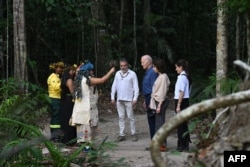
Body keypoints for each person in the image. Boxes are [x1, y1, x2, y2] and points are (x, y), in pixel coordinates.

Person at [70, 61, 116, 144]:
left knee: (82, 133)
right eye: (91, 70)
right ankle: (87, 150)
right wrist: (111, 71)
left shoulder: (78, 79)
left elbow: (77, 71)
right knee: (87, 134)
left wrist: (81, 66)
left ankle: (85, 148)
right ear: (87, 71)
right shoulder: (87, 80)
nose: (92, 72)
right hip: (87, 111)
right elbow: (102, 80)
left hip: (80, 110)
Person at [111, 58, 139, 142]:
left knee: (131, 117)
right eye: (121, 66)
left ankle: (133, 133)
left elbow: (136, 87)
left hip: (129, 99)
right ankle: (121, 134)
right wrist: (112, 97)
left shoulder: (132, 74)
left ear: (127, 65)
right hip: (119, 99)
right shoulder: (117, 73)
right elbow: (114, 86)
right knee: (121, 117)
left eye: (124, 65)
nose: (123, 67)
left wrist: (135, 98)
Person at [149, 58, 170, 151]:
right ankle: (161, 144)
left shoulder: (163, 77)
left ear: (158, 67)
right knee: (159, 123)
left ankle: (162, 144)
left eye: (154, 66)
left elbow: (162, 92)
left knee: (160, 124)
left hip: (160, 101)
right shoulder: (161, 76)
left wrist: (159, 105)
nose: (153, 68)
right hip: (157, 101)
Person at [174, 59, 192, 152]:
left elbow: (181, 92)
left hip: (181, 101)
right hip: (185, 101)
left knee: (180, 124)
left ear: (181, 67)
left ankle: (181, 145)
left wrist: (178, 105)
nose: (176, 69)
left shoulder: (181, 77)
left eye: (177, 67)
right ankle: (185, 143)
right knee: (183, 124)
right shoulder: (186, 76)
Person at [141, 55, 158, 142]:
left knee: (153, 121)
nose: (142, 64)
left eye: (143, 62)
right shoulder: (148, 72)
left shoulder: (152, 72)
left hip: (152, 98)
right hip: (148, 97)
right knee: (151, 121)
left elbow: (154, 87)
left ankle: (155, 142)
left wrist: (152, 101)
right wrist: (145, 99)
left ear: (148, 62)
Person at [47, 61, 64, 141]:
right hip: (54, 98)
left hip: (57, 98)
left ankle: (56, 134)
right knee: (56, 117)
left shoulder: (57, 77)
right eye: (59, 68)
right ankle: (54, 136)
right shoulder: (53, 77)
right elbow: (56, 87)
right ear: (55, 68)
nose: (60, 69)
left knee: (57, 116)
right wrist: (63, 83)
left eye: (61, 68)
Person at [60, 64, 77, 145]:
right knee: (70, 118)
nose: (73, 72)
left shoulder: (64, 79)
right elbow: (72, 92)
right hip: (69, 100)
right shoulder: (69, 80)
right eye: (72, 70)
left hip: (65, 100)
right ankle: (70, 138)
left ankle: (67, 137)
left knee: (66, 118)